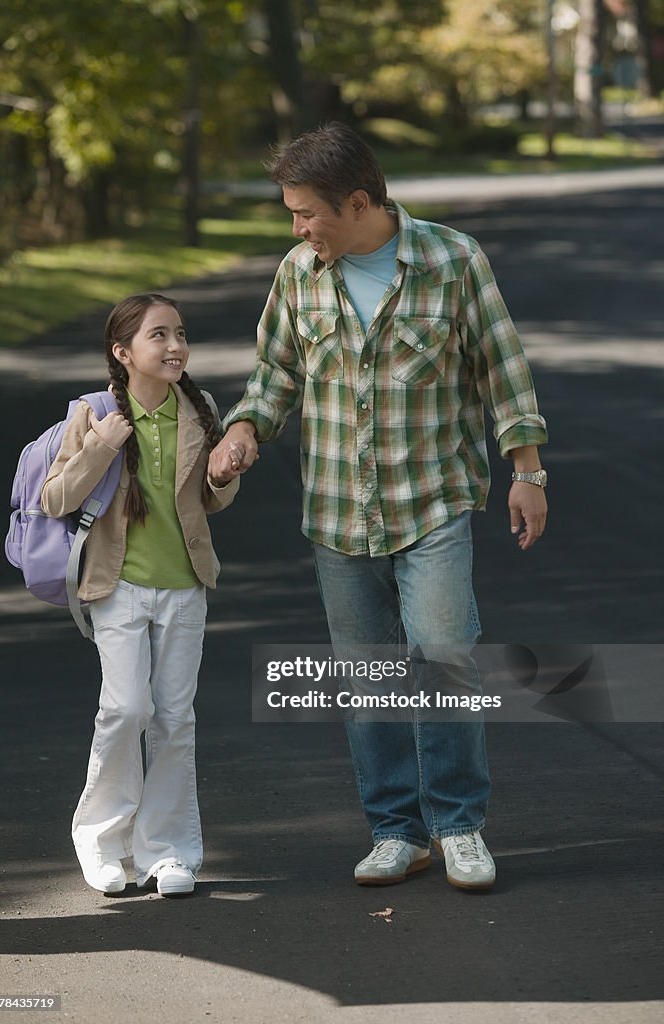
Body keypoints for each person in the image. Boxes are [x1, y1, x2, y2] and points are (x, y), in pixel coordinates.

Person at [212, 122, 548, 891]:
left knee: (441, 656)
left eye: (306, 213)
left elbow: (503, 366)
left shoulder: (451, 261)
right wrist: (242, 430)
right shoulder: (300, 273)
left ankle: (458, 824)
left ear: (358, 202)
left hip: (431, 500)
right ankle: (396, 831)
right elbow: (274, 375)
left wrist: (527, 470)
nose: (296, 228)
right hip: (336, 510)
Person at [41, 293, 242, 897]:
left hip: (185, 587)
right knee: (127, 711)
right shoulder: (93, 413)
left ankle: (170, 852)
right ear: (122, 352)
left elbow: (208, 503)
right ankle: (104, 845)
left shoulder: (200, 408)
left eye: (180, 333)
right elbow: (55, 498)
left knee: (175, 720)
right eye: (159, 335)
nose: (175, 346)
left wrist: (221, 477)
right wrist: (101, 442)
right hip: (118, 586)